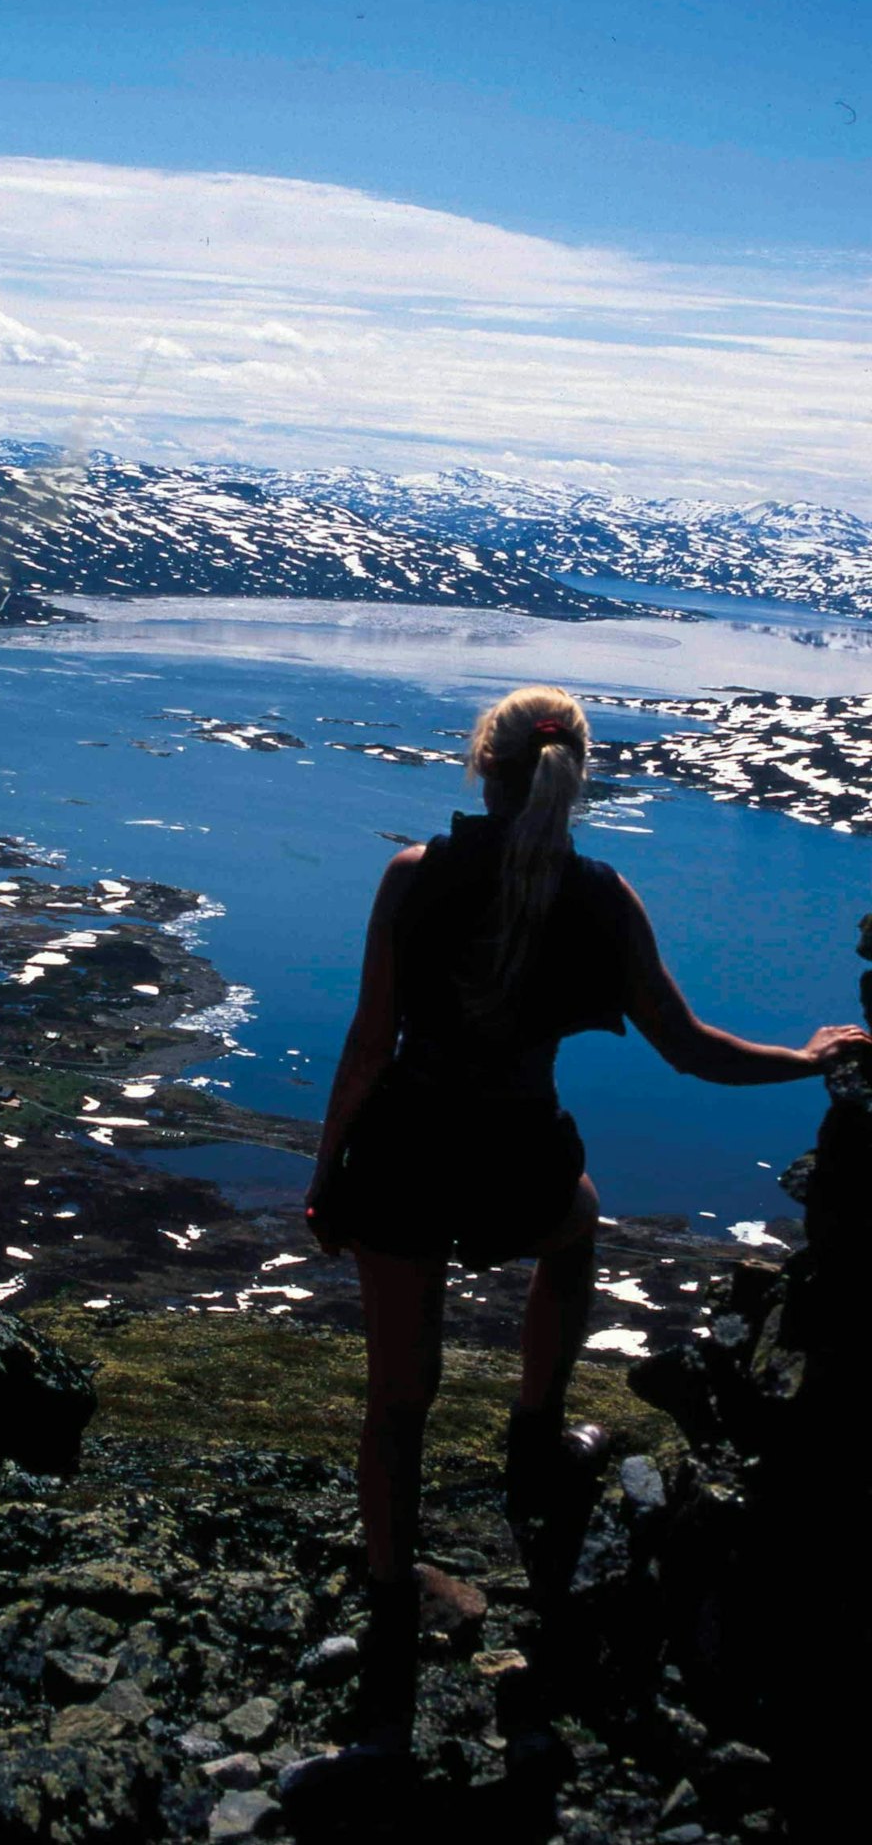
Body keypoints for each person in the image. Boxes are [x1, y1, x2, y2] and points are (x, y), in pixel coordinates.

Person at [304, 682, 870, 1755]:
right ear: (574, 778)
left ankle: (386, 1596)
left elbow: (369, 1039)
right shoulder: (601, 895)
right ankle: (534, 1436)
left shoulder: (413, 878)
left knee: (396, 1396)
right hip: (517, 1156)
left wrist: (329, 1173)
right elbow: (685, 1044)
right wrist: (806, 1059)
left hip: (406, 1157)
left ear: (483, 766)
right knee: (571, 1229)